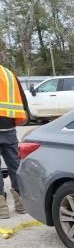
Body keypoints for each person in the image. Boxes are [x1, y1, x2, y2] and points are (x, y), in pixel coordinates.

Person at [0, 63, 30, 219]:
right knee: (15, 164)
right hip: (9, 127)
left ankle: (2, 207)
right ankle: (21, 202)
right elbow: (23, 103)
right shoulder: (9, 75)